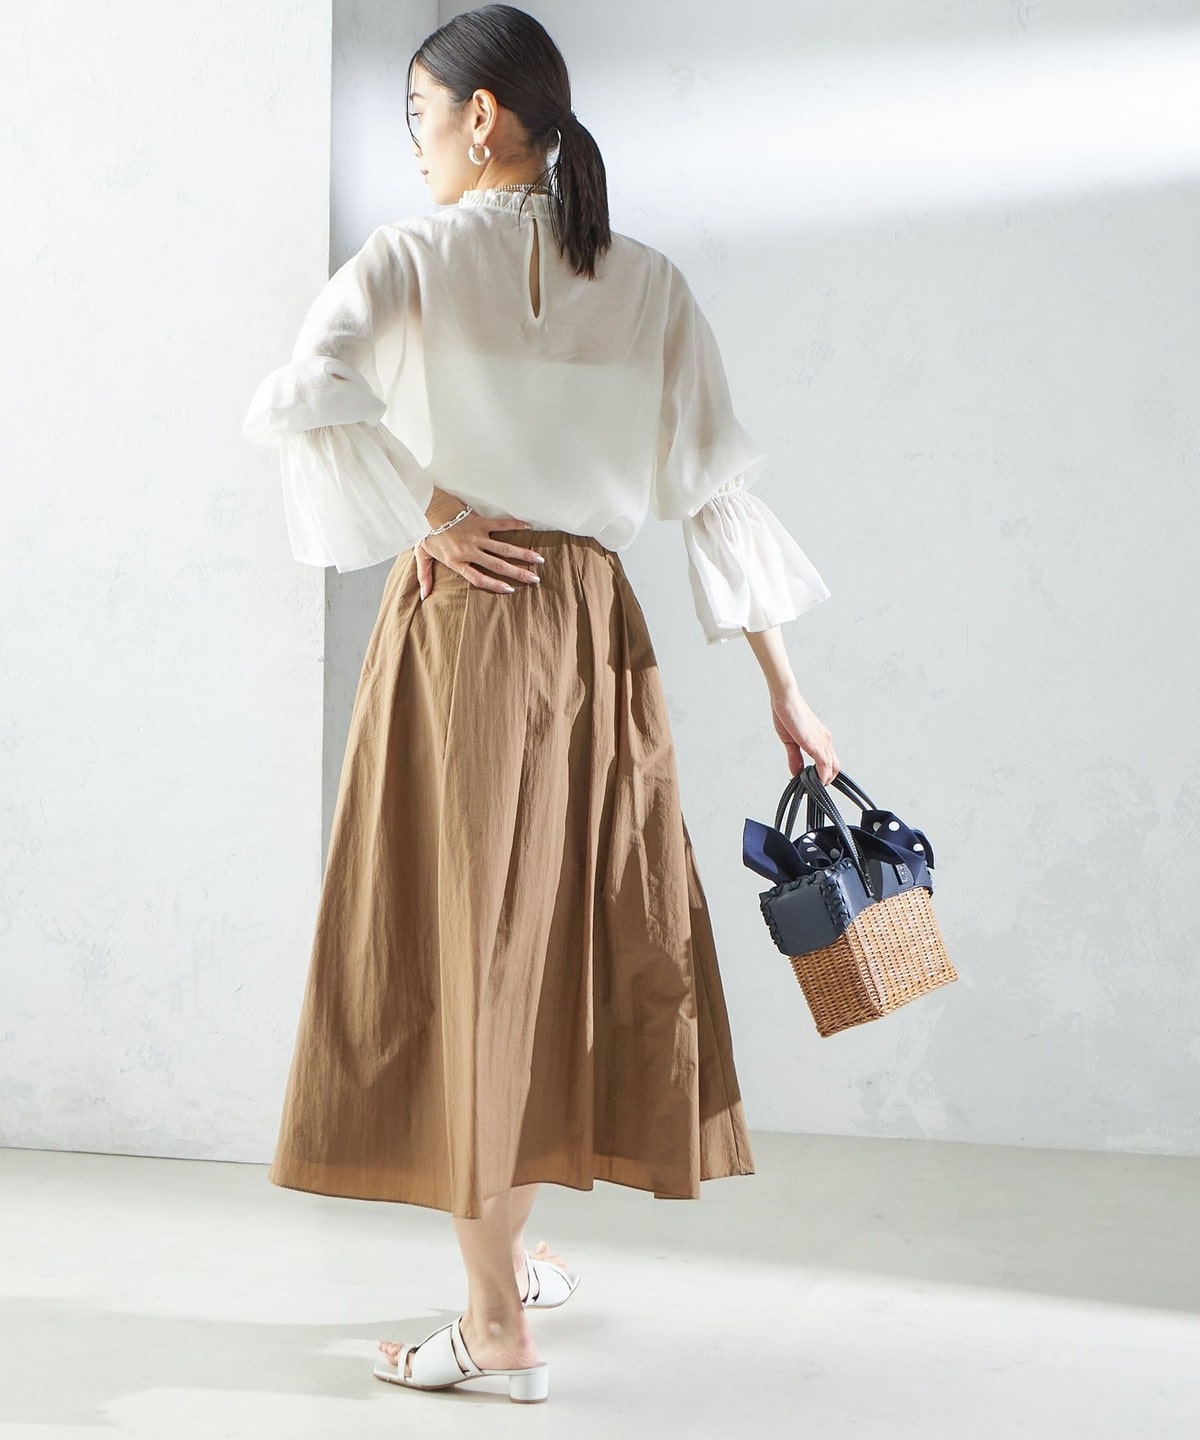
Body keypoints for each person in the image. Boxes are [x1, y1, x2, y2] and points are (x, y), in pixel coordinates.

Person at [242, 3, 840, 1405]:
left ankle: (496, 1325)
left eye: (419, 118)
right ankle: (510, 1260)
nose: (416, 147)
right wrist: (790, 693)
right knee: (549, 949)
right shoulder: (644, 280)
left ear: (482, 117)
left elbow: (298, 396)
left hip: (462, 630)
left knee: (468, 956)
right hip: (590, 637)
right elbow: (714, 493)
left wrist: (437, 512)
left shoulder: (410, 259)